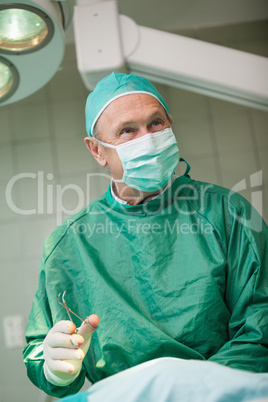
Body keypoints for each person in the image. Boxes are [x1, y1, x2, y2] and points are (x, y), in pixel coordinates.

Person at [23, 73, 268, 399]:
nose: (148, 139)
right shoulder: (70, 244)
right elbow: (44, 353)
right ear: (97, 150)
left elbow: (259, 327)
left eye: (156, 124)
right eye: (128, 131)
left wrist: (192, 387)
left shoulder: (227, 212)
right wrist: (55, 365)